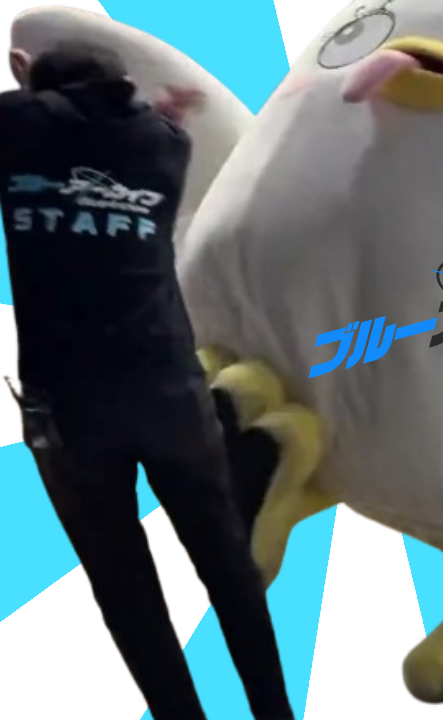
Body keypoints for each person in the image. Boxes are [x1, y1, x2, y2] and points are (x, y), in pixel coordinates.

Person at [0, 41, 294, 720]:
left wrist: (31, 82)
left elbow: (51, 121)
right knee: (227, 567)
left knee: (124, 585)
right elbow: (117, 123)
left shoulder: (16, 127)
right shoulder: (166, 147)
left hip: (70, 413)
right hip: (170, 395)